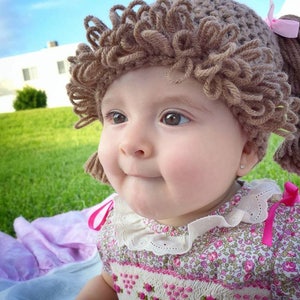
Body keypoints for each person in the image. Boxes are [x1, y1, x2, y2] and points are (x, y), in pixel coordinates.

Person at [67, 0, 300, 298]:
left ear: (246, 150)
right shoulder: (121, 225)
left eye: (172, 118)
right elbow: (111, 283)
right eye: (117, 117)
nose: (130, 143)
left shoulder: (280, 243)